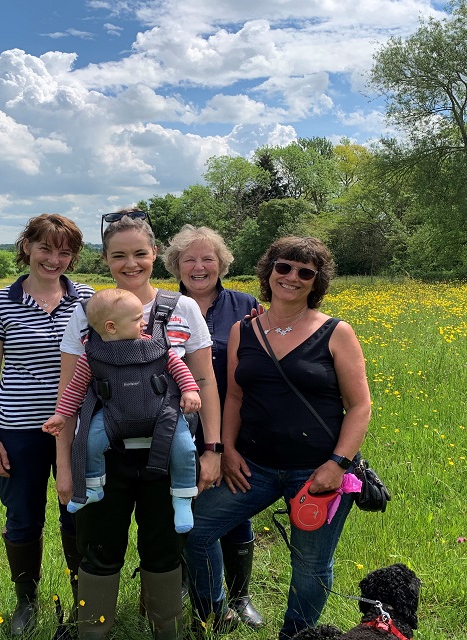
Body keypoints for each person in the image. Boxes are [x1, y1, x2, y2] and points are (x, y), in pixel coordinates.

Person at [183, 236, 372, 640]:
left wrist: (337, 465)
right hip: (255, 465)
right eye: (284, 267)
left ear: (316, 282)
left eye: (306, 272)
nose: (292, 277)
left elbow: (360, 406)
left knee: (310, 564)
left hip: (316, 470)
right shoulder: (243, 329)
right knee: (195, 530)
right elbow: (234, 395)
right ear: (269, 271)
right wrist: (228, 450)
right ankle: (215, 616)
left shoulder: (336, 332)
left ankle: (296, 635)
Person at [55, 208, 224, 640]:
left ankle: (165, 628)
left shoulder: (182, 307)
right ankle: (94, 631)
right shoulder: (87, 311)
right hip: (102, 457)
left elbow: (204, 379)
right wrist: (66, 466)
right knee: (98, 549)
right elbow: (70, 393)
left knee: (165, 548)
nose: (130, 264)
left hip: (168, 455)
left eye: (139, 253)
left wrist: (212, 450)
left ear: (155, 254)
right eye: (118, 256)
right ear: (105, 260)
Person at [0, 214, 95, 637]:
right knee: (23, 516)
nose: (54, 259)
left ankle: (85, 601)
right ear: (26, 246)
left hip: (77, 426)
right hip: (19, 428)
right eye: (46, 248)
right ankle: (26, 601)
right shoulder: (0, 300)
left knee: (77, 514)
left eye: (65, 251)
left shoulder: (87, 298)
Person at [162, 225, 265, 631]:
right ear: (175, 265)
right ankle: (188, 581)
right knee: (182, 504)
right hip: (175, 426)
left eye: (207, 259)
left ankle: (240, 597)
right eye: (189, 259)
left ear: (221, 264)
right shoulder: (160, 305)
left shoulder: (245, 305)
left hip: (235, 424)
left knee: (233, 507)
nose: (199, 266)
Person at [42, 288, 201, 533]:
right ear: (111, 327)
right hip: (112, 416)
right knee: (89, 441)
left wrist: (190, 390)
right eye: (137, 319)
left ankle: (182, 498)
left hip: (163, 415)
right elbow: (75, 387)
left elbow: (178, 368)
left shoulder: (155, 345)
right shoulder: (91, 355)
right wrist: (62, 415)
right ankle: (93, 486)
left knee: (184, 448)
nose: (144, 323)